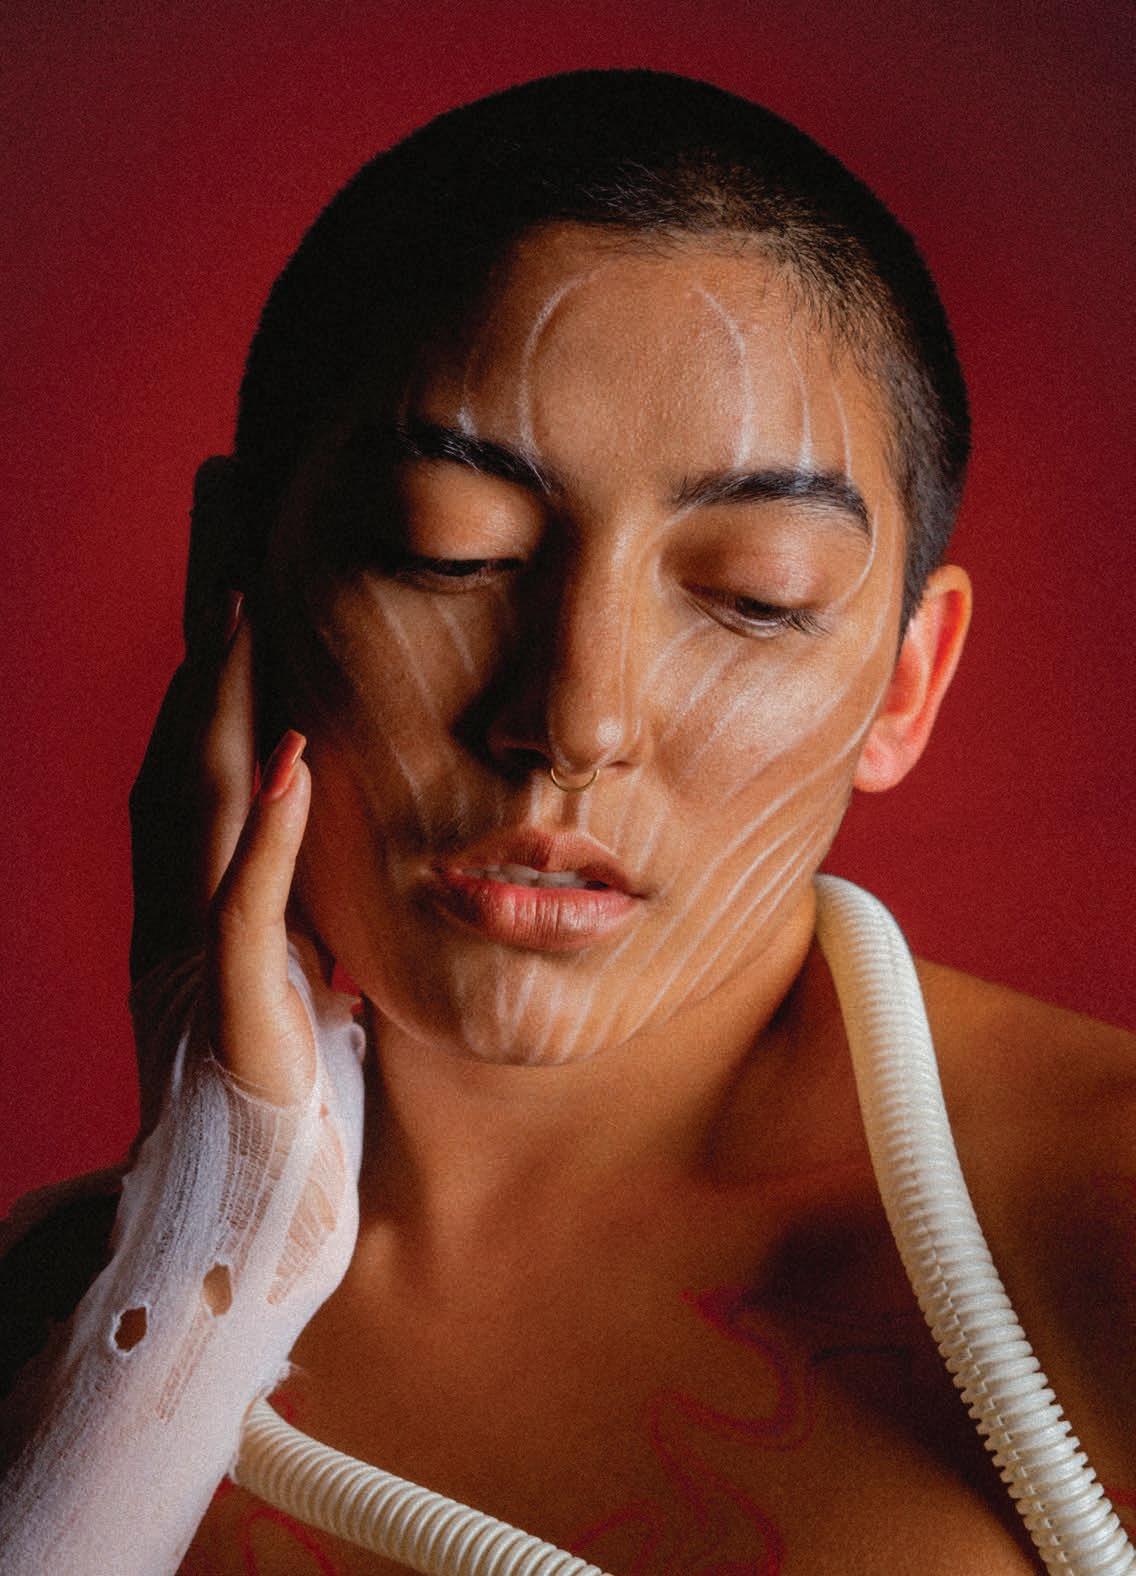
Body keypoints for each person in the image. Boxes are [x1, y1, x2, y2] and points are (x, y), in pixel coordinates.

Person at [1, 68, 1133, 1575]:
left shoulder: (1098, 1232)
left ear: (907, 683)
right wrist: (211, 1231)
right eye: (449, 551)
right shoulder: (59, 1316)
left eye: (755, 597)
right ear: (237, 575)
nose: (576, 721)